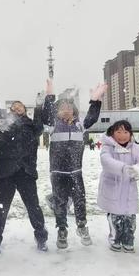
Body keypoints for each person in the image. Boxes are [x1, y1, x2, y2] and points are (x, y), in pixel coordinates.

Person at [42, 80, 106, 249]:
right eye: (62, 107)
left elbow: (92, 116)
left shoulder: (80, 125)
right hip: (57, 172)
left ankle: (82, 226)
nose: (67, 109)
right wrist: (49, 97)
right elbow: (46, 115)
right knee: (60, 202)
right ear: (57, 111)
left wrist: (96, 101)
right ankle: (62, 230)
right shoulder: (53, 126)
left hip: (76, 172)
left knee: (79, 200)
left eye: (69, 107)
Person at [0, 85, 48, 254]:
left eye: (20, 106)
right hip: (6, 173)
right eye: (14, 107)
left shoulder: (31, 127)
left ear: (25, 110)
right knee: (1, 208)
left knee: (33, 207)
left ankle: (41, 238)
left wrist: (39, 105)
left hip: (26, 172)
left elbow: (40, 124)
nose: (17, 108)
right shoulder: (4, 124)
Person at [97, 121, 139, 252]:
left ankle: (128, 239)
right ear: (112, 133)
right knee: (115, 217)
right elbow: (106, 161)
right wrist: (123, 168)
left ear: (130, 134)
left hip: (129, 189)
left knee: (129, 217)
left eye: (126, 132)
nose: (122, 135)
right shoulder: (107, 147)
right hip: (113, 188)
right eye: (119, 132)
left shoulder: (135, 148)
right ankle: (115, 239)